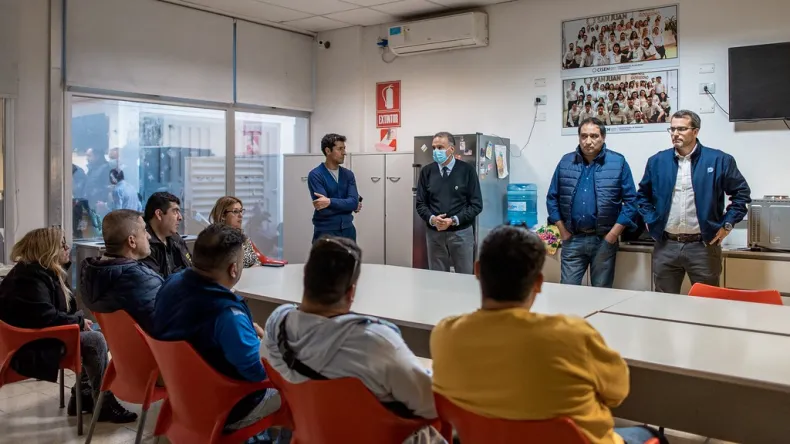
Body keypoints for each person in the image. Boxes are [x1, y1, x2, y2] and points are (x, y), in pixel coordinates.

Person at [430, 226, 662, 444]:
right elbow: (617, 393)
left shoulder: (445, 335)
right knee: (647, 434)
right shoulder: (572, 336)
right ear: (539, 283)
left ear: (477, 271)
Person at [262, 237, 445, 444]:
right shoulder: (375, 343)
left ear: (305, 277)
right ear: (351, 292)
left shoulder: (276, 327)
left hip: (309, 436)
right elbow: (430, 405)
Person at [152, 224, 282, 439]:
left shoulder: (170, 284)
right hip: (225, 406)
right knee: (296, 389)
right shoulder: (228, 314)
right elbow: (258, 372)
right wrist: (268, 345)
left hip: (180, 396)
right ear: (234, 269)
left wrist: (245, 331)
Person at [0, 227, 137, 422]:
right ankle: (103, 403)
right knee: (95, 339)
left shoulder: (42, 272)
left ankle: (85, 395)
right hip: (30, 347)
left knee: (98, 332)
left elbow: (63, 309)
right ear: (47, 250)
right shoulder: (29, 278)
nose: (68, 248)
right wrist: (78, 321)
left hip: (39, 338)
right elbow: (46, 317)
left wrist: (78, 321)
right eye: (62, 245)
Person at [637, 110, 751, 294]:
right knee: (663, 301)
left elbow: (741, 195)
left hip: (703, 246)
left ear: (695, 131)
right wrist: (650, 220)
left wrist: (727, 224)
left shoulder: (719, 160)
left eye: (682, 129)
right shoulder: (657, 161)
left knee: (707, 301)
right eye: (672, 129)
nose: (675, 134)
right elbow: (642, 196)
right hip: (666, 245)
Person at [546, 118, 638, 288]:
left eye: (594, 136)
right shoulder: (566, 162)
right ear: (579, 137)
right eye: (584, 136)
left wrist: (612, 235)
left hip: (603, 241)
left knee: (601, 293)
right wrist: (563, 231)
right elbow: (552, 198)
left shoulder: (618, 162)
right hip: (573, 239)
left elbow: (632, 202)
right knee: (567, 291)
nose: (588, 141)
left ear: (603, 137)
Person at [80, 209, 163, 333]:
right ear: (132, 241)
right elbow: (167, 323)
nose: (149, 236)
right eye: (144, 230)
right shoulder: (141, 280)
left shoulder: (92, 274)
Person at [415, 132, 482, 274]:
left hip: (461, 234)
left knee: (464, 277)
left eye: (440, 147)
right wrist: (433, 219)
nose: (436, 151)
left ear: (451, 149)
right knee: (437, 278)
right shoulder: (427, 172)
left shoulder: (467, 171)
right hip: (435, 235)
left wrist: (453, 220)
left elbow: (476, 205)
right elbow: (420, 204)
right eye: (434, 148)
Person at [308, 133, 360, 243]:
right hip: (326, 231)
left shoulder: (348, 175)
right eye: (340, 149)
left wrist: (330, 201)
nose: (344, 153)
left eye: (344, 148)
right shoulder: (316, 175)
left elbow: (354, 203)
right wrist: (347, 205)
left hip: (348, 230)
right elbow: (323, 209)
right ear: (328, 151)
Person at [210, 196, 283, 268]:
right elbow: (226, 268)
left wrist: (255, 267)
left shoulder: (243, 237)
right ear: (223, 215)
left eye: (241, 211)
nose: (240, 215)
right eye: (235, 211)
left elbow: (257, 261)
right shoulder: (216, 239)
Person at [140, 192, 193, 278]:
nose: (180, 217)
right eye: (175, 211)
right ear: (159, 214)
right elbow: (156, 282)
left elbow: (192, 267)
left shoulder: (176, 239)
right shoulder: (144, 246)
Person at [84, 147, 112, 215]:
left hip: (99, 206)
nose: (87, 158)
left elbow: (108, 188)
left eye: (89, 156)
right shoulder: (92, 169)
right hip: (90, 204)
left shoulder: (105, 169)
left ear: (97, 156)